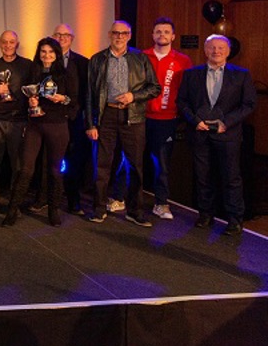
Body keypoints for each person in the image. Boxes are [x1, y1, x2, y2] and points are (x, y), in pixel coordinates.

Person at [176, 34, 257, 236]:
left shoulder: (241, 75)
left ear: (228, 52)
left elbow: (249, 104)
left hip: (228, 136)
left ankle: (235, 220)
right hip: (200, 134)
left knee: (231, 178)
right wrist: (195, 121)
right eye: (212, 47)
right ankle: (205, 214)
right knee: (203, 177)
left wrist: (226, 123)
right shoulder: (191, 74)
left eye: (221, 48)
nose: (216, 51)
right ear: (205, 50)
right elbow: (182, 102)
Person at [86, 20, 160, 226]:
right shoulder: (97, 59)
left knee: (135, 166)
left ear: (129, 35)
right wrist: (91, 124)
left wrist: (133, 96)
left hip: (133, 117)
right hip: (106, 116)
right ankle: (99, 209)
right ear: (109, 34)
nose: (119, 37)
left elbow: (155, 88)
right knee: (102, 165)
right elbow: (89, 94)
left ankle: (135, 211)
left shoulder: (140, 58)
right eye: (116, 33)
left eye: (124, 33)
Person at [2, 37, 79, 227]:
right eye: (43, 51)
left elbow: (74, 100)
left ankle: (53, 211)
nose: (47, 55)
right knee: (25, 169)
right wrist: (31, 102)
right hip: (35, 125)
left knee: (55, 170)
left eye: (51, 52)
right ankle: (12, 210)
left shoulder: (66, 73)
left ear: (57, 54)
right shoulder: (33, 72)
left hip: (57, 125)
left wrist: (62, 99)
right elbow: (25, 96)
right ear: (39, 53)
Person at [143, 17, 193, 220]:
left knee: (162, 164)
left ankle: (161, 203)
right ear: (152, 35)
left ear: (173, 36)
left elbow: (187, 91)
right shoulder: (141, 57)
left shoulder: (183, 61)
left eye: (166, 32)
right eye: (158, 31)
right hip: (140, 117)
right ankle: (122, 198)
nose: (161, 35)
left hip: (167, 119)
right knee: (130, 160)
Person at [0, 30, 31, 217]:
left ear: (16, 44)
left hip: (18, 119)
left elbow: (33, 90)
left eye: (11, 42)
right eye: (4, 42)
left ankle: (14, 200)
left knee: (17, 163)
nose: (8, 45)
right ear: (0, 44)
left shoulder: (27, 65)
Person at [50, 23, 89, 215]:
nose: (62, 38)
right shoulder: (45, 60)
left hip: (74, 120)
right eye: (58, 34)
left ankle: (74, 200)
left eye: (66, 35)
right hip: (50, 119)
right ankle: (50, 198)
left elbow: (86, 94)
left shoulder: (83, 63)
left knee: (74, 160)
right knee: (52, 160)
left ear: (72, 39)